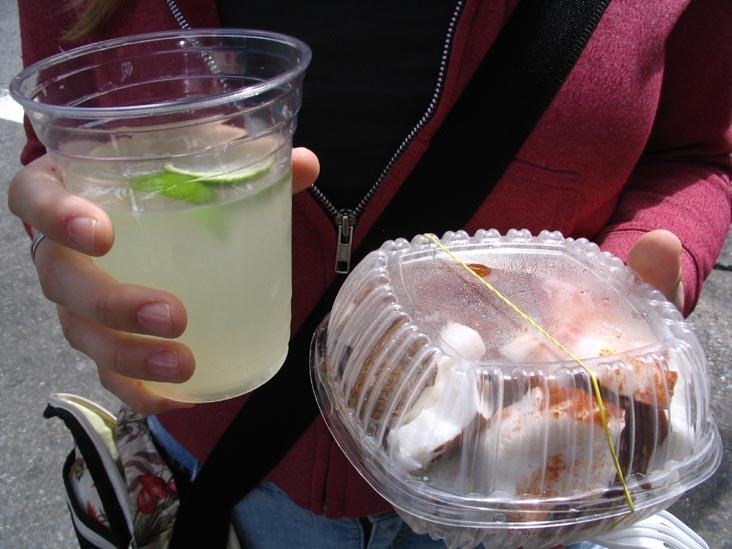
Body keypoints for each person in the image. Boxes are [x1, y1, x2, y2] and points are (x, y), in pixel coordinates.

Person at [9, 0, 731, 547]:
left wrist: (620, 292)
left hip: (512, 478)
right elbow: (58, 150)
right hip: (220, 466)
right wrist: (61, 240)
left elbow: (700, 151)